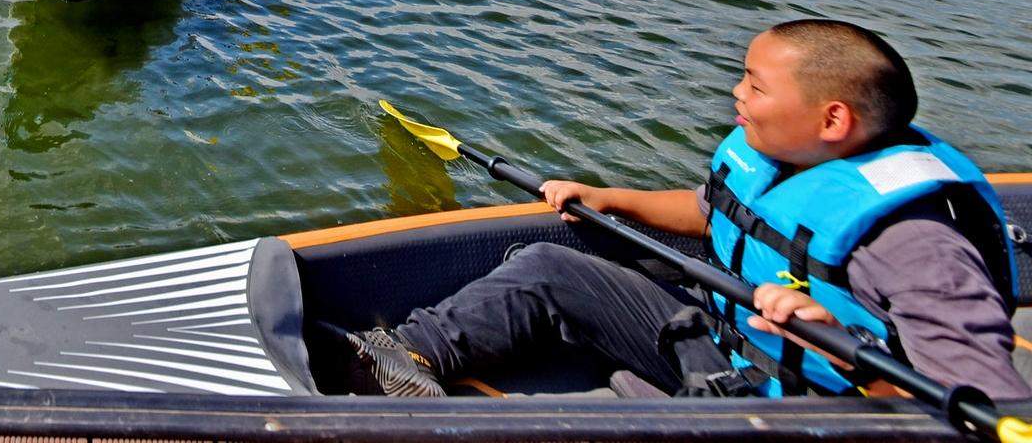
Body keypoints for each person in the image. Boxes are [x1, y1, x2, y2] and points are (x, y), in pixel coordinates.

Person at [312, 20, 1026, 402]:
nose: (736, 96)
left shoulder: (917, 243)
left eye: (754, 84)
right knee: (547, 268)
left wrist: (838, 339)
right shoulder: (784, 161)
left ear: (832, 119)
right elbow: (713, 211)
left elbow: (981, 398)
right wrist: (606, 197)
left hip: (811, 405)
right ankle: (402, 358)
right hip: (722, 338)